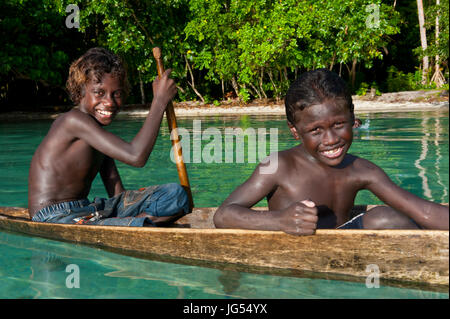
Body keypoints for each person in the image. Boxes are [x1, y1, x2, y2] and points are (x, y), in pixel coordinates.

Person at [214, 69, 449, 235]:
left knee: (387, 218)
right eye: (315, 130)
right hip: (294, 253)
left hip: (344, 251)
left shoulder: (362, 170)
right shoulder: (278, 166)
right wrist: (280, 220)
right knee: (384, 217)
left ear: (352, 118)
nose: (331, 140)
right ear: (295, 131)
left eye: (338, 124)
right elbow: (224, 215)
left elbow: (424, 211)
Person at [28, 47, 190, 227]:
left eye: (117, 94)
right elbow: (136, 156)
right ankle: (134, 223)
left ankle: (133, 222)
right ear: (80, 91)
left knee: (176, 195)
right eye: (99, 92)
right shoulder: (73, 121)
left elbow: (117, 194)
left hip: (87, 209)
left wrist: (145, 204)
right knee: (161, 207)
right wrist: (159, 101)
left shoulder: (98, 134)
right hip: (53, 215)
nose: (109, 102)